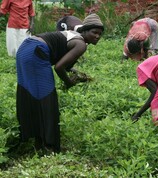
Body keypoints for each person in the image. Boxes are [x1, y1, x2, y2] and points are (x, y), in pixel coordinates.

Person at [16, 13, 104, 153]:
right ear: (85, 31)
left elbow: (64, 64)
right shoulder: (81, 44)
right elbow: (59, 67)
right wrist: (69, 83)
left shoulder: (71, 36)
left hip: (25, 49)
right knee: (47, 99)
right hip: (36, 52)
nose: (97, 36)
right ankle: (49, 146)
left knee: (29, 93)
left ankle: (33, 140)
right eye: (94, 32)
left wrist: (79, 76)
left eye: (100, 34)